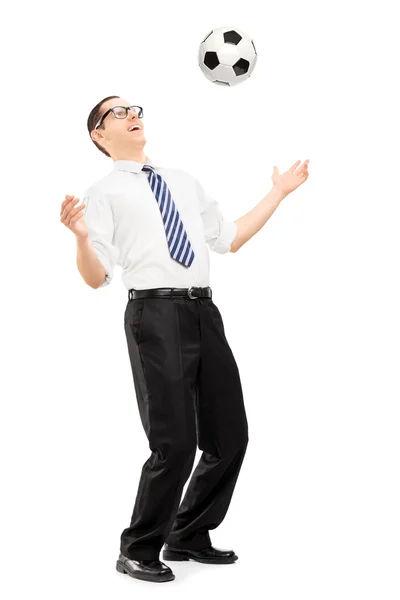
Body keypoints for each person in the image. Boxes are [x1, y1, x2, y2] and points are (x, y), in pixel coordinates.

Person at [60, 95, 309, 584]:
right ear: (98, 134)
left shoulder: (184, 181)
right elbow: (96, 278)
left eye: (135, 109)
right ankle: (136, 548)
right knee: (174, 442)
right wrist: (81, 238)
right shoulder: (104, 192)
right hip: (153, 313)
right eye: (118, 113)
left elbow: (230, 238)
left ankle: (188, 533)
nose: (133, 115)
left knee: (230, 435)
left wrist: (278, 193)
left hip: (203, 310)